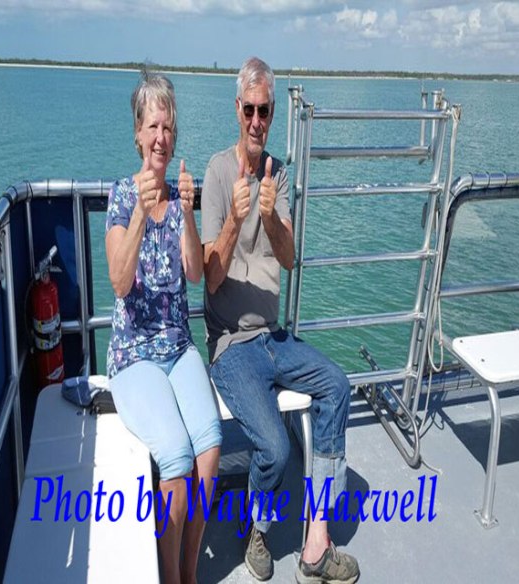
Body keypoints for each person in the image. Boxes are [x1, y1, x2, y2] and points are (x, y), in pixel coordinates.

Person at [201, 57, 360, 583]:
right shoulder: (218, 172)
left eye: (264, 111)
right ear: (237, 109)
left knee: (337, 386)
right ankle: (259, 530)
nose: (256, 120)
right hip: (231, 345)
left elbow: (288, 259)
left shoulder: (278, 175)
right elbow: (210, 278)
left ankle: (316, 541)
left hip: (273, 338)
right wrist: (235, 218)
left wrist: (268, 215)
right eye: (249, 109)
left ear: (273, 113)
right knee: (273, 445)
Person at [105, 72, 222, 584]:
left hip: (177, 346)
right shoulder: (120, 196)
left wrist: (189, 213)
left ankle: (188, 571)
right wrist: (139, 210)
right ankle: (169, 578)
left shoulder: (178, 200)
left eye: (168, 127)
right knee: (175, 457)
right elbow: (118, 280)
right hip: (134, 355)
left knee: (209, 446)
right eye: (152, 126)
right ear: (137, 133)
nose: (160, 138)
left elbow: (195, 273)